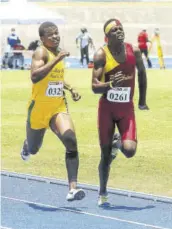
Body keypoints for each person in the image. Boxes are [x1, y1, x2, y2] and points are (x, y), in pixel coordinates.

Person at [20, 21, 85, 202]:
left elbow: (55, 79)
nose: (56, 36)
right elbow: (35, 76)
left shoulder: (57, 52)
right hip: (38, 110)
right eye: (51, 34)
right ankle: (27, 145)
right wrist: (57, 59)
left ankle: (73, 188)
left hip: (57, 107)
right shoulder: (41, 52)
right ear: (42, 39)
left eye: (57, 33)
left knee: (70, 140)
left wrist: (70, 88)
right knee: (34, 149)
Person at [92, 18, 149, 206]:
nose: (119, 31)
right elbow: (94, 86)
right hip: (107, 110)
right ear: (107, 36)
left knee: (130, 151)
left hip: (126, 109)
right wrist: (110, 84)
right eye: (114, 30)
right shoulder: (101, 54)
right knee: (105, 156)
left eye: (121, 28)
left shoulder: (135, 51)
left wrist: (141, 101)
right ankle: (102, 193)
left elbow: (142, 73)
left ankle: (119, 143)